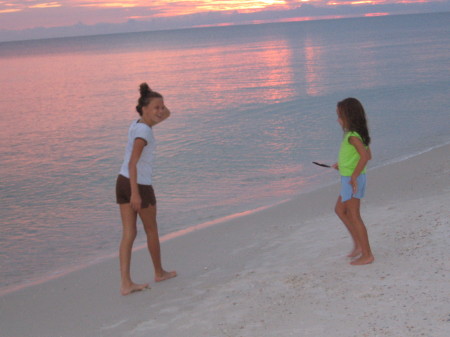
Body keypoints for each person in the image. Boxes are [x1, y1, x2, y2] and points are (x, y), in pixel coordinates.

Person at [116, 83, 177, 295]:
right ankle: (159, 272)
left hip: (121, 181)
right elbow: (134, 162)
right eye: (156, 107)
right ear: (143, 109)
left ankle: (126, 283)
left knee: (129, 234)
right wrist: (135, 194)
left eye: (162, 106)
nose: (161, 111)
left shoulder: (137, 124)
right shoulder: (144, 133)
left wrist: (155, 104)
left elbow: (166, 114)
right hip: (138, 185)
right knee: (151, 230)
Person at [332, 98, 374, 265]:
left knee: (354, 215)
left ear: (348, 117)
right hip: (350, 178)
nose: (338, 120)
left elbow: (365, 157)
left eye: (340, 116)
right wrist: (342, 165)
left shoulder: (352, 137)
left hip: (352, 181)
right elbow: (367, 155)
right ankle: (358, 246)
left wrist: (354, 175)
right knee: (340, 210)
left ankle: (367, 254)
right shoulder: (357, 134)